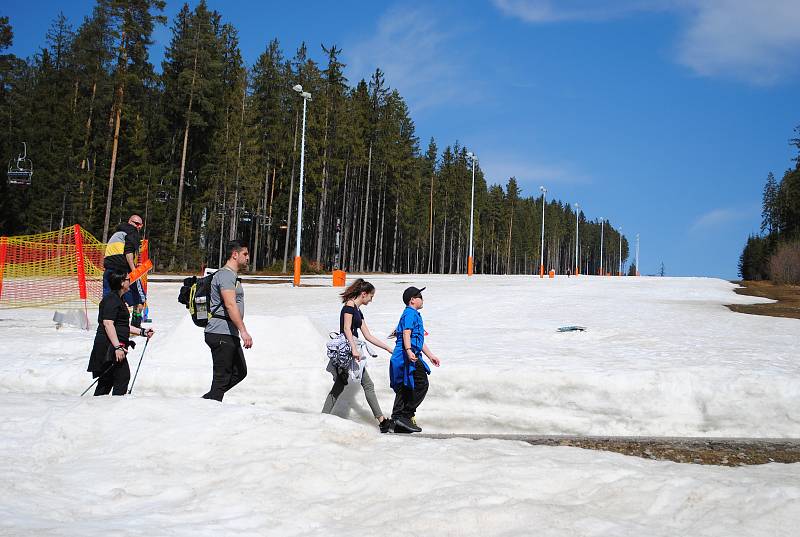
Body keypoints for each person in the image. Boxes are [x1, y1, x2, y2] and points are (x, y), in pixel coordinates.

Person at [322, 278, 394, 432]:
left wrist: (387, 348)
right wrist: (354, 349)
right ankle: (382, 422)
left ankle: (323, 417)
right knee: (366, 384)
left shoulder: (357, 311)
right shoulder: (349, 306)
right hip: (347, 351)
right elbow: (347, 329)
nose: (371, 300)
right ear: (364, 294)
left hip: (352, 349)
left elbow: (368, 336)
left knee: (341, 385)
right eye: (371, 296)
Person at [87, 271, 154, 396]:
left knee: (107, 381)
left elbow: (122, 326)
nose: (130, 281)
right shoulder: (111, 300)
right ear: (122, 283)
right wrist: (117, 347)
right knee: (122, 377)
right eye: (128, 279)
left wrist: (142, 332)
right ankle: (115, 407)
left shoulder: (118, 299)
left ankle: (98, 409)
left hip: (114, 346)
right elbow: (108, 323)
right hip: (109, 347)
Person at [203, 240, 253, 401]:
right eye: (245, 254)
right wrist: (243, 331)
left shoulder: (231, 275)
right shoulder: (225, 275)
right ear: (235, 254)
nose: (248, 258)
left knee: (240, 371)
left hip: (227, 332)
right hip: (220, 331)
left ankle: (209, 399)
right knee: (222, 378)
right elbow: (230, 305)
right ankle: (208, 406)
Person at [389, 286, 441, 433]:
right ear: (412, 300)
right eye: (420, 297)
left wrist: (430, 356)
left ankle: (398, 420)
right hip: (405, 355)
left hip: (409, 354)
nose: (423, 300)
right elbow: (406, 333)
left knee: (406, 386)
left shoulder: (413, 314)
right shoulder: (410, 313)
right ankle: (405, 415)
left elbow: (417, 338)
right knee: (421, 383)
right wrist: (409, 351)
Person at [103, 214, 146, 327]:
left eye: (141, 224)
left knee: (109, 299)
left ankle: (106, 324)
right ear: (129, 222)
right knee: (140, 299)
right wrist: (134, 270)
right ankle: (135, 327)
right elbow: (128, 252)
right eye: (136, 223)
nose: (139, 226)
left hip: (108, 270)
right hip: (123, 271)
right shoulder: (132, 232)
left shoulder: (117, 233)